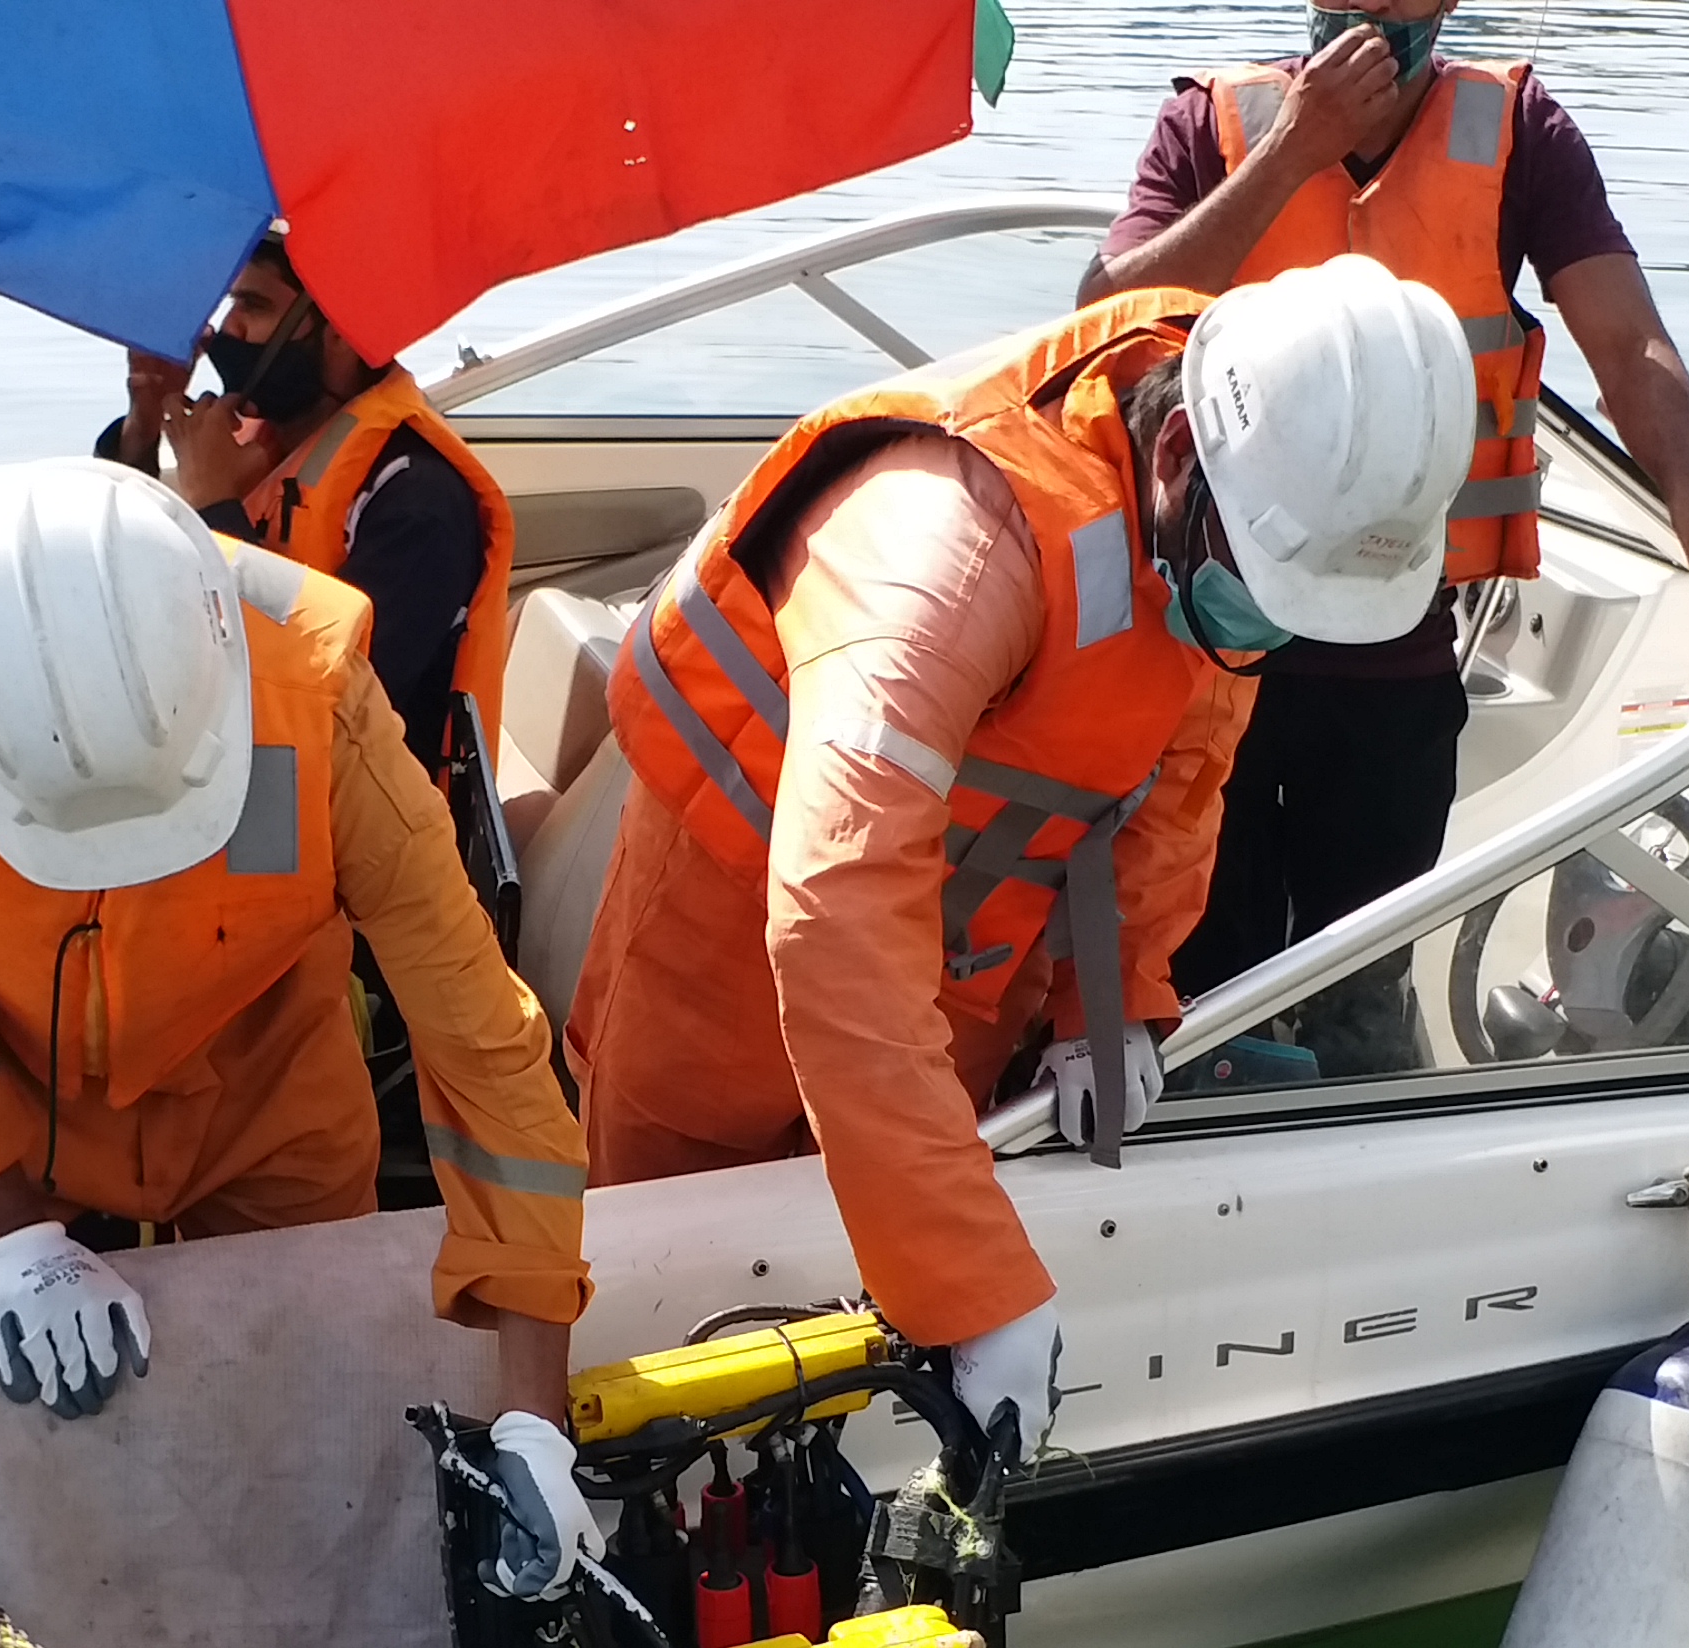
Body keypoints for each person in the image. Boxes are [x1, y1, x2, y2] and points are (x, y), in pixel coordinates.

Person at [568, 260, 1471, 1463]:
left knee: (890, 1335)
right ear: (1173, 460)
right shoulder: (948, 541)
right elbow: (831, 916)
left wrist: (1116, 999)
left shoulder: (1229, 527)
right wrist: (974, 1285)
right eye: (1265, 590)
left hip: (955, 982)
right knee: (673, 1304)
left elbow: (1181, 776)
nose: (1269, 628)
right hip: (721, 963)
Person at [0, 456, 605, 1586]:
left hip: (259, 1091)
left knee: (310, 1429)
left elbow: (483, 1044)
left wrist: (533, 1426)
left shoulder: (321, 703)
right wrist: (15, 1235)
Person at [1081, 4, 1689, 1018]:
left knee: (1363, 968)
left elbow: (1626, 338)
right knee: (1200, 962)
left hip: (1397, 632)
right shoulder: (1207, 128)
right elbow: (1102, 317)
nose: (1382, 12)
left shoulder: (1523, 133)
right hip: (1209, 641)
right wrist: (1295, 148)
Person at [103, 226, 519, 779]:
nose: (227, 329)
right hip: (235, 763)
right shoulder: (260, 445)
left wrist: (217, 509)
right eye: (231, 304)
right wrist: (143, 427)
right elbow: (136, 586)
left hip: (354, 828)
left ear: (343, 332)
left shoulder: (418, 503)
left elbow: (334, 704)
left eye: (253, 305)